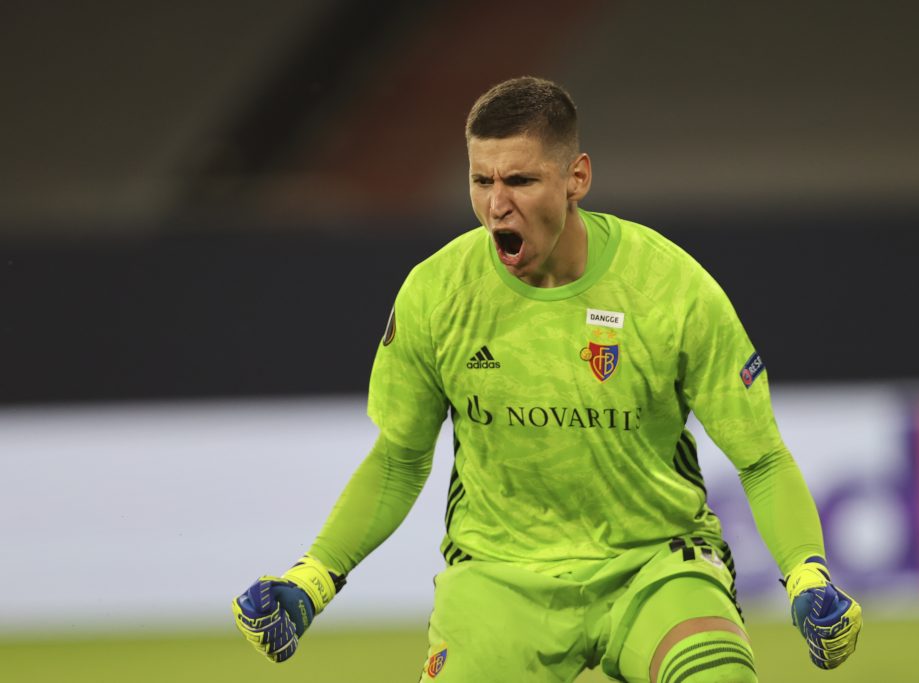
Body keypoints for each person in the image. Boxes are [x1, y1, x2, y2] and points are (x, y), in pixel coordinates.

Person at [231, 76, 862, 682]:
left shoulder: (671, 289)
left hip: (655, 566)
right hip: (500, 577)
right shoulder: (437, 293)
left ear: (576, 178)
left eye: (520, 179)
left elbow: (760, 457)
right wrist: (312, 580)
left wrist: (807, 577)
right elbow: (399, 459)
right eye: (481, 180)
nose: (496, 203)